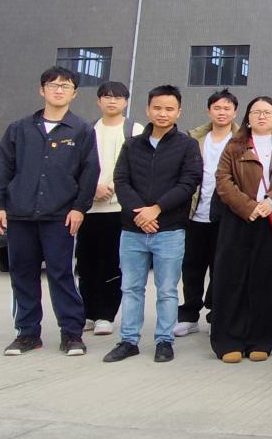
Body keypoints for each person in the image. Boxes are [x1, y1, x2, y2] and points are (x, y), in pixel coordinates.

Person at [0, 67, 98, 357]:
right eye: (53, 85)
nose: (59, 90)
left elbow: (90, 172)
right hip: (20, 215)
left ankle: (72, 333)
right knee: (22, 274)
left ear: (74, 94)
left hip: (59, 216)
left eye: (66, 86)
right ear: (42, 90)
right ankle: (27, 333)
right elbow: (1, 169)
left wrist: (79, 208)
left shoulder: (81, 130)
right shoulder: (19, 129)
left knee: (61, 274)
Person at [104, 85, 202, 363]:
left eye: (169, 109)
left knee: (167, 289)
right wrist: (140, 213)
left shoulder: (187, 145)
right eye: (157, 108)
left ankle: (164, 340)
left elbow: (189, 182)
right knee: (131, 288)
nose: (162, 113)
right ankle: (129, 340)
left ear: (178, 112)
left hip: (169, 229)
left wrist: (156, 209)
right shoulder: (132, 144)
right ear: (148, 109)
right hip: (132, 229)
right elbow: (121, 180)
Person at [210, 96, 272, 363]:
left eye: (268, 112)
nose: (262, 116)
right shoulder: (234, 146)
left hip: (270, 219)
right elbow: (223, 180)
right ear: (247, 117)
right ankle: (228, 340)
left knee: (266, 281)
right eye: (256, 112)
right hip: (239, 218)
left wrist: (271, 202)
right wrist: (248, 206)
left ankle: (260, 339)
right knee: (231, 278)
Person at [77, 81, 143, 336]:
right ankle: (87, 312)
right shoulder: (87, 129)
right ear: (98, 101)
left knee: (112, 263)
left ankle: (105, 314)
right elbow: (77, 166)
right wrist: (92, 188)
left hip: (119, 209)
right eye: (106, 96)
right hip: (89, 208)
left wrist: (114, 187)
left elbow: (138, 166)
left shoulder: (134, 129)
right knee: (86, 263)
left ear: (126, 101)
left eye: (117, 97)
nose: (112, 101)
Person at [176, 88, 238, 337]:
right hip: (195, 213)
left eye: (227, 108)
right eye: (217, 108)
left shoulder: (240, 141)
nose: (222, 112)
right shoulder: (195, 139)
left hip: (225, 215)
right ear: (209, 111)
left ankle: (215, 314)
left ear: (235, 112)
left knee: (220, 267)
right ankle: (189, 315)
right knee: (192, 267)